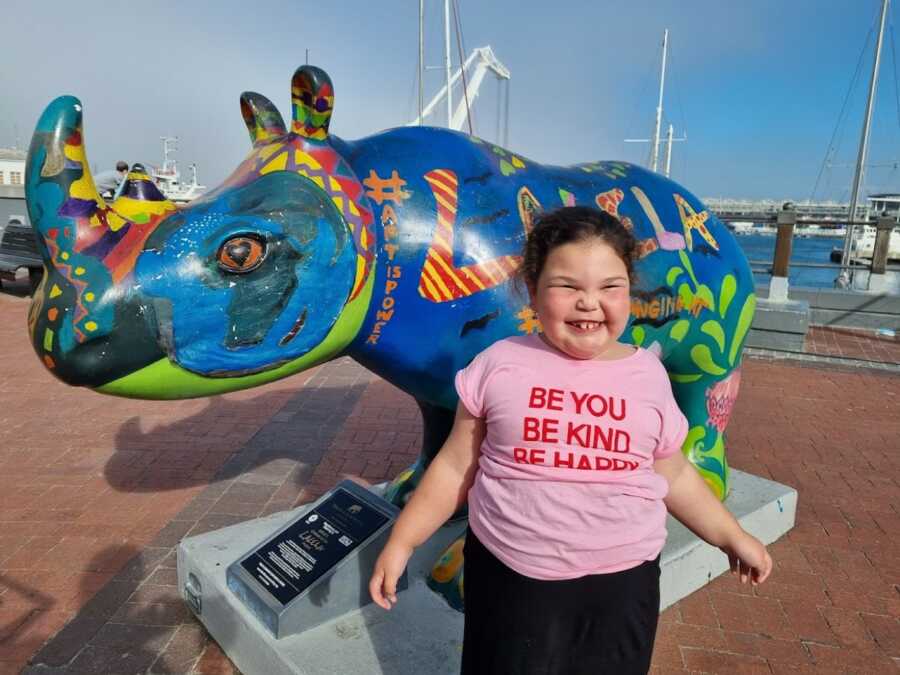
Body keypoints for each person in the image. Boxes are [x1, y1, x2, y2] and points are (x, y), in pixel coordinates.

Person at [369, 206, 773, 674]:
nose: (589, 302)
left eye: (609, 287)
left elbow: (674, 472)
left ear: (629, 294)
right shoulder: (499, 363)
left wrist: (731, 536)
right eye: (567, 286)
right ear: (533, 291)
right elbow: (456, 465)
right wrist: (402, 542)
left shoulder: (647, 375)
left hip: (621, 585)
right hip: (510, 577)